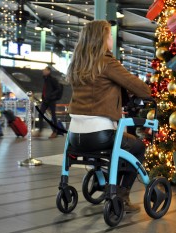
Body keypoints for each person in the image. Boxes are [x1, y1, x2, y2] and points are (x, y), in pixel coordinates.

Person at [66, 20, 151, 213]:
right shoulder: (107, 62)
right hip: (101, 133)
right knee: (137, 147)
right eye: (110, 35)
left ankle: (106, 179)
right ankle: (122, 196)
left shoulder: (77, 63)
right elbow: (140, 88)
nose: (111, 38)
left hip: (75, 136)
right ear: (102, 39)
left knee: (118, 146)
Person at [36, 66, 60, 138]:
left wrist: (51, 95)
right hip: (45, 100)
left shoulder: (53, 79)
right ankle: (40, 131)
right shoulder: (45, 79)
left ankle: (55, 132)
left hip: (51, 100)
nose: (43, 71)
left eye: (45, 70)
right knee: (40, 114)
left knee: (53, 116)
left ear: (49, 71)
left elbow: (58, 89)